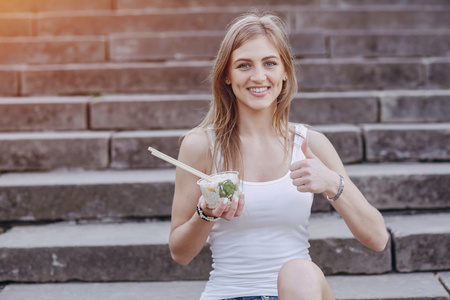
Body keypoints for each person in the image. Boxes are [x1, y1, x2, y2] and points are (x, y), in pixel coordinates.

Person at [169, 12, 389, 300]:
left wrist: (332, 183)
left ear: (285, 72)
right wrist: (206, 213)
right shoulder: (200, 145)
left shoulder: (311, 144)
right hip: (228, 293)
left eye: (270, 64)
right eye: (244, 65)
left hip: (299, 292)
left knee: (299, 271)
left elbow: (378, 239)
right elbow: (180, 253)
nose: (258, 77)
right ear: (226, 75)